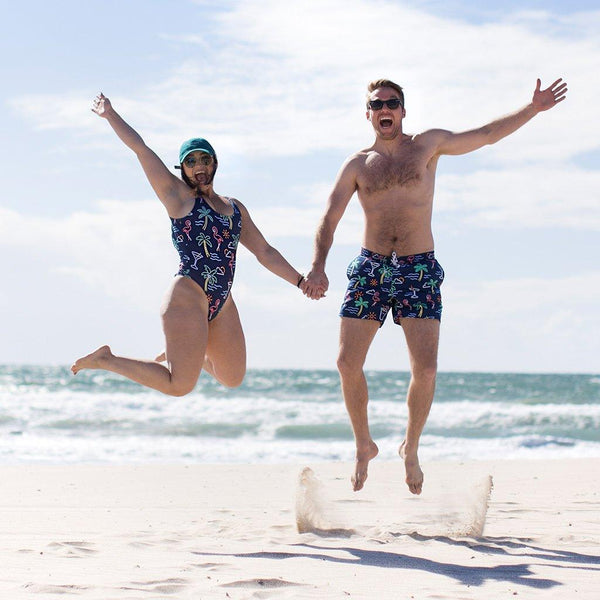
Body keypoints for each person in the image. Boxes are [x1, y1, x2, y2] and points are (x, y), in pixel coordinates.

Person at [303, 77, 568, 495]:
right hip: (372, 267)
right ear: (368, 113)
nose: (384, 108)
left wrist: (531, 109)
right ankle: (363, 444)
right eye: (377, 104)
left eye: (392, 102)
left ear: (403, 110)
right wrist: (318, 266)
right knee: (345, 363)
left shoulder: (427, 146)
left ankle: (411, 447)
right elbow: (329, 218)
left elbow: (484, 136)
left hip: (418, 268)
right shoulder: (358, 165)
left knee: (425, 369)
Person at [72, 93, 307, 394]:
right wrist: (110, 114)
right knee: (180, 385)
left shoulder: (234, 208)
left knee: (232, 377)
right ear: (182, 169)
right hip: (188, 294)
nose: (198, 165)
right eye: (190, 160)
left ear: (214, 164)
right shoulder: (178, 197)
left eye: (204, 158)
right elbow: (141, 150)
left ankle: (185, 354)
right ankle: (108, 360)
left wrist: (300, 282)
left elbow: (264, 251)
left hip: (222, 301)